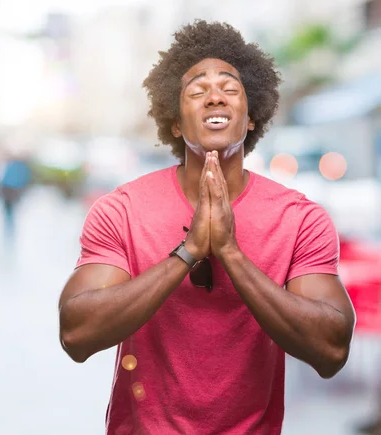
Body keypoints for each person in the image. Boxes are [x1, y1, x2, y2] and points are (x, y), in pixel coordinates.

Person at [58, 20, 356, 434]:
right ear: (176, 124)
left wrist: (230, 252)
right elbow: (76, 334)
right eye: (197, 91)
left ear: (250, 119)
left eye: (230, 89)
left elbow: (332, 350)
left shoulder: (300, 218)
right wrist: (189, 252)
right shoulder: (121, 210)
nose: (214, 96)